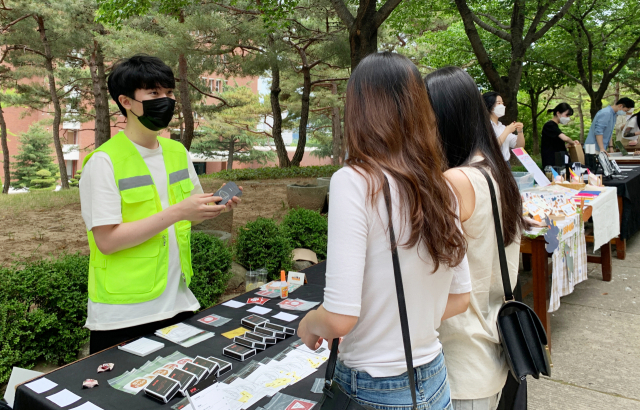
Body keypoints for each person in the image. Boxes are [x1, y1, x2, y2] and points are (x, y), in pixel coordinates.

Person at [297, 52, 472, 410]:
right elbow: (459, 298)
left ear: (358, 110)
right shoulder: (441, 187)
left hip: (373, 388)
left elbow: (338, 318)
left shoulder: (353, 181)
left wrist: (310, 322)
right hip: (435, 380)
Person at [79, 55, 241, 354]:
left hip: (178, 301)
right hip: (123, 315)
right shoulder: (103, 162)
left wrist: (211, 207)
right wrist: (179, 212)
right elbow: (107, 241)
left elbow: (187, 218)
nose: (165, 101)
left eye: (168, 93)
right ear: (126, 101)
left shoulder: (177, 151)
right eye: (153, 94)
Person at [425, 67, 529, 410]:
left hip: (461, 363)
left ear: (443, 118)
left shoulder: (455, 181)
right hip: (492, 349)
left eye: (425, 117)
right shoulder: (493, 172)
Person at [482, 92, 525, 162]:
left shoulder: (502, 127)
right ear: (489, 105)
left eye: (502, 103)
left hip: (505, 164)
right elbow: (491, 147)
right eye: (499, 103)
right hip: (492, 164)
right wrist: (507, 131)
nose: (502, 106)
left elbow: (519, 146)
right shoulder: (483, 125)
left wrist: (520, 131)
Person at [541, 103, 580, 168]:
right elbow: (565, 139)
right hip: (553, 163)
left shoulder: (554, 126)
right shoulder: (550, 125)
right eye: (567, 115)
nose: (568, 118)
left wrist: (567, 146)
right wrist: (572, 142)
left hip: (558, 160)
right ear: (558, 113)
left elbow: (554, 146)